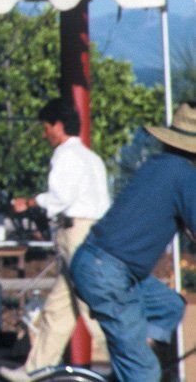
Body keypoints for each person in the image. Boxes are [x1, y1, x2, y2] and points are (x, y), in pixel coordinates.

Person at [70, 101, 196, 382]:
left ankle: (131, 361)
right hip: (110, 273)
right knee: (144, 371)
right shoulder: (186, 175)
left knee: (169, 306)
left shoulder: (158, 165)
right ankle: (136, 366)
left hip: (101, 265)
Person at [0, 98, 110, 382]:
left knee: (92, 305)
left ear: (58, 126)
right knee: (58, 310)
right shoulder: (92, 158)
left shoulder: (65, 156)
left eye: (46, 127)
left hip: (75, 233)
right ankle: (34, 371)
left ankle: (132, 368)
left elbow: (60, 199)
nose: (44, 133)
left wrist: (30, 202)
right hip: (92, 231)